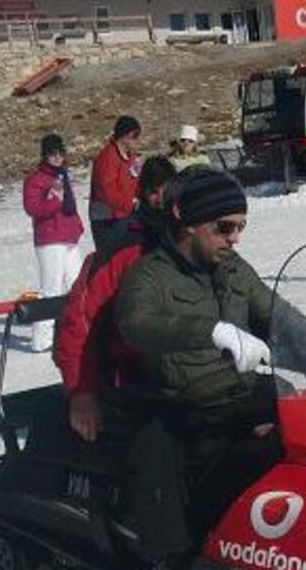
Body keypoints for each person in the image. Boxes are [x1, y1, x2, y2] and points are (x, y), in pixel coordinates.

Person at [115, 166, 281, 557]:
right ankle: (173, 557)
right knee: (159, 467)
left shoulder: (235, 269)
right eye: (225, 227)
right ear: (189, 224)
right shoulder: (150, 276)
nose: (235, 238)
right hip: (185, 405)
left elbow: (278, 314)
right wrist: (211, 331)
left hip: (242, 394)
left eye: (241, 226)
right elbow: (136, 324)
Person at [55, 156, 177, 443]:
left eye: (166, 191)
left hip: (180, 379)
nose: (160, 199)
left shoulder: (188, 240)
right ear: (142, 193)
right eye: (153, 191)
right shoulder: (122, 248)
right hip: (130, 384)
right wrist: (82, 391)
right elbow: (78, 322)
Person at [22, 134, 84, 352]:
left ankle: (77, 330)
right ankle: (41, 340)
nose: (57, 158)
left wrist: (77, 226)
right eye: (52, 154)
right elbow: (33, 209)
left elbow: (71, 206)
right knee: (51, 288)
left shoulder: (63, 175)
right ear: (44, 155)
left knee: (78, 285)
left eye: (60, 153)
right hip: (50, 240)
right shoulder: (35, 179)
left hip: (68, 237)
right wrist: (52, 199)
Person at [89, 115, 142, 251]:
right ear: (124, 136)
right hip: (107, 219)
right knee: (110, 260)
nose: (137, 140)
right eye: (134, 135)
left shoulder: (129, 156)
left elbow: (133, 182)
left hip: (123, 215)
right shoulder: (108, 157)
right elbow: (107, 190)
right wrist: (128, 205)